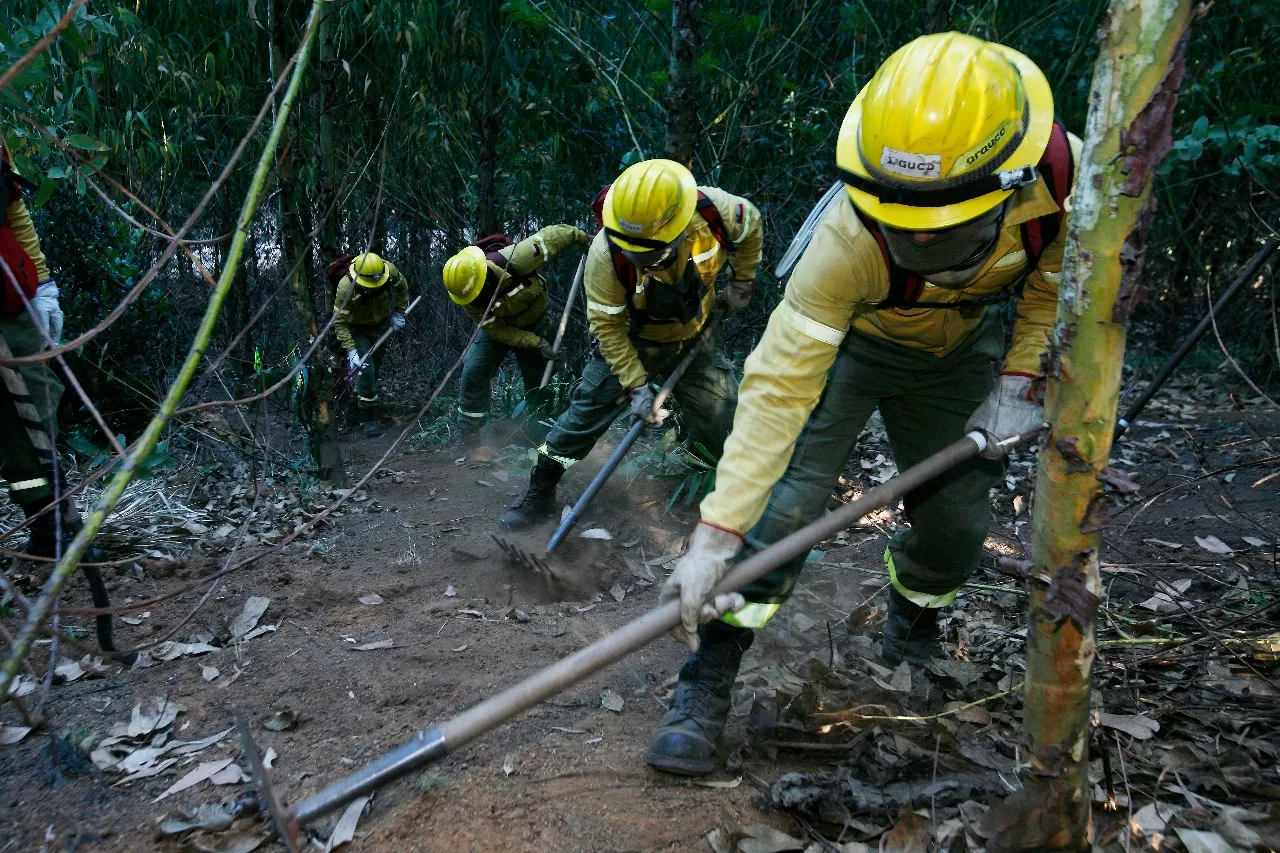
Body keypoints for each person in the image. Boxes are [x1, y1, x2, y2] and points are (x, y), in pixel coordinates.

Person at [646, 32, 1081, 777]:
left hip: (959, 354)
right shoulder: (844, 243)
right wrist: (716, 533)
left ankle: (912, 625)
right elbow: (779, 385)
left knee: (955, 528)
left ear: (1006, 183)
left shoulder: (1066, 181)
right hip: (856, 347)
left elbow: (1052, 287)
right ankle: (708, 677)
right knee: (780, 511)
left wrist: (1020, 382)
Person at [497, 159, 763, 530]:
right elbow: (607, 328)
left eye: (647, 250)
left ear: (677, 227)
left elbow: (750, 228)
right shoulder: (606, 255)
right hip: (631, 344)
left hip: (694, 337)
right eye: (628, 246)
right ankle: (540, 491)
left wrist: (741, 284)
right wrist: (637, 387)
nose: (635, 256)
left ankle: (724, 493)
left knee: (724, 417)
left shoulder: (715, 213)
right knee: (580, 421)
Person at [0, 136, 121, 655]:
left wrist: (43, 284)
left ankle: (47, 524)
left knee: (32, 417)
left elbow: (12, 207)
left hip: (10, 296)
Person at [442, 225, 589, 442]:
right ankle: (469, 434)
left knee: (538, 380)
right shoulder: (466, 297)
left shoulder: (517, 258)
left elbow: (554, 236)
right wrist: (535, 343)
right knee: (474, 369)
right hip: (498, 329)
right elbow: (498, 330)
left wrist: (584, 238)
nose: (474, 300)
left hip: (536, 321)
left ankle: (537, 433)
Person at [332, 252, 410, 437]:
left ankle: (361, 400)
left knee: (373, 370)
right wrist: (351, 350)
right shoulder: (345, 287)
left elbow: (402, 286)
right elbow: (339, 321)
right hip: (357, 329)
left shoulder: (389, 270)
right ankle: (369, 418)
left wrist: (399, 311)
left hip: (381, 325)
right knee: (365, 370)